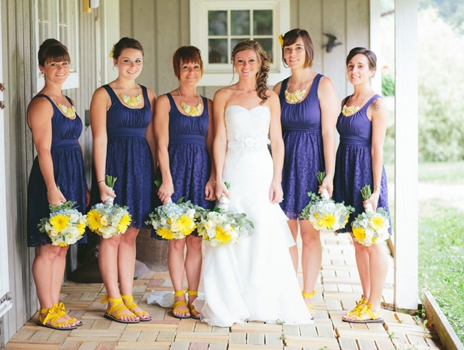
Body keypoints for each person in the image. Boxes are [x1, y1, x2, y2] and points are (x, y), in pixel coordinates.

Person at [197, 40, 312, 327]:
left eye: (250, 61)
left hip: (261, 170)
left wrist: (277, 180)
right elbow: (219, 139)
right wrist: (217, 176)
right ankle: (229, 300)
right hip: (233, 170)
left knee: (262, 230)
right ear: (233, 64)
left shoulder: (270, 97)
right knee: (231, 230)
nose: (245, 66)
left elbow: (277, 140)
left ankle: (261, 299)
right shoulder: (222, 95)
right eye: (240, 61)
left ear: (260, 63)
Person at [273, 29, 339, 316]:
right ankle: (288, 290)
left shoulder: (323, 84)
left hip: (312, 163)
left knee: (310, 233)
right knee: (286, 232)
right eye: (287, 49)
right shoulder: (278, 88)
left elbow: (328, 133)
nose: (292, 54)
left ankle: (307, 293)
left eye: (297, 48)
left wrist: (330, 174)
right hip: (285, 164)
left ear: (307, 50)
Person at [91, 37, 155, 324]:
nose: (132, 66)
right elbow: (99, 138)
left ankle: (128, 296)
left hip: (140, 166)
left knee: (131, 233)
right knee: (111, 234)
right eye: (127, 60)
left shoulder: (149, 94)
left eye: (138, 61)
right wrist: (102, 180)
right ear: (115, 60)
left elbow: (153, 137)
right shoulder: (103, 94)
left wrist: (155, 174)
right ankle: (112, 299)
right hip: (114, 167)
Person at [26, 39, 86, 331]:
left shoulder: (68, 102)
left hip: (72, 174)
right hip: (53, 177)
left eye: (64, 63)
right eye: (53, 64)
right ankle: (46, 309)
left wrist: (82, 182)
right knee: (48, 247)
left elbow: (75, 142)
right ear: (42, 68)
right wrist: (52, 187)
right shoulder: (41, 103)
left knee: (62, 246)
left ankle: (56, 304)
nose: (60, 69)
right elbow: (44, 149)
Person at [152, 46, 214, 319]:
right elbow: (160, 144)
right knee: (176, 239)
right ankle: (178, 297)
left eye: (196, 67)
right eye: (186, 67)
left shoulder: (209, 104)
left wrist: (213, 177)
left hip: (201, 173)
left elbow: (213, 145)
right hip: (175, 171)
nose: (191, 72)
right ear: (177, 70)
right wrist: (166, 179)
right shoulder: (165, 102)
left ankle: (193, 295)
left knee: (196, 241)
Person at [333, 47, 391, 324]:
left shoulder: (377, 104)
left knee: (373, 241)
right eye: (350, 66)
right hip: (346, 172)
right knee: (358, 241)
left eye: (360, 66)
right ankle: (365, 299)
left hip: (366, 175)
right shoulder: (346, 100)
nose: (354, 71)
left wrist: (376, 189)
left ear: (371, 71)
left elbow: (377, 148)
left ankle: (376, 305)